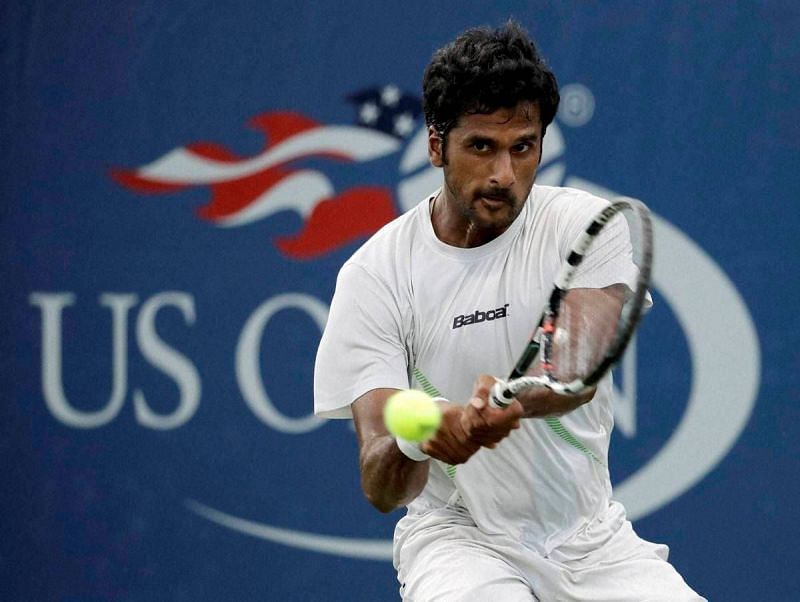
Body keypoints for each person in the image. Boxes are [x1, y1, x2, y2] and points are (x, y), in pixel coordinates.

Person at [315, 21, 704, 601]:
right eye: (481, 147)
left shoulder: (584, 226)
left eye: (523, 147)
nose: (503, 174)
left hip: (590, 538)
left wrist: (510, 399)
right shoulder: (374, 276)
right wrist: (422, 437)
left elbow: (573, 373)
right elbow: (380, 484)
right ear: (435, 143)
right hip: (456, 538)